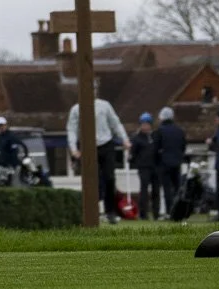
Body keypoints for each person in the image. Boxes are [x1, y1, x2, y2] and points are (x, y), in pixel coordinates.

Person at [67, 95, 130, 223]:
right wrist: (73, 149)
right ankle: (91, 211)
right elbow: (72, 130)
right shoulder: (76, 109)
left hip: (106, 144)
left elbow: (115, 123)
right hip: (87, 146)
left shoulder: (104, 105)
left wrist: (124, 139)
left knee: (109, 178)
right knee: (91, 180)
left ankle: (110, 212)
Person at [157, 106, 187, 211]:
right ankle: (178, 209)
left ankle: (169, 210)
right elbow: (183, 146)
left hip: (164, 163)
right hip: (177, 162)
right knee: (177, 187)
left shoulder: (160, 131)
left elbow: (156, 148)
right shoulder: (179, 131)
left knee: (167, 188)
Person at [130, 113, 161, 219]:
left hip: (155, 167)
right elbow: (133, 153)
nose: (145, 126)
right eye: (143, 124)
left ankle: (156, 214)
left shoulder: (155, 136)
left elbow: (158, 150)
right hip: (143, 167)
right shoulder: (137, 138)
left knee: (156, 190)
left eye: (147, 124)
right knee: (144, 190)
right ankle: (143, 214)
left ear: (150, 125)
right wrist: (137, 163)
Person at [0, 116, 27, 187]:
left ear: (6, 125)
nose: (1, 127)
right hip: (1, 168)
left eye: (3, 125)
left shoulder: (12, 137)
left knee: (13, 185)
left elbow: (20, 150)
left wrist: (15, 164)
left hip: (12, 168)